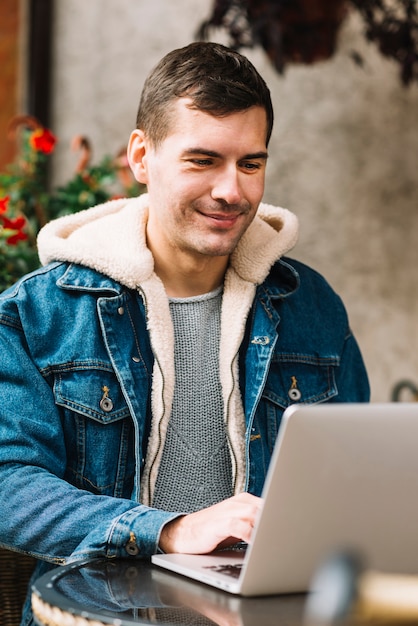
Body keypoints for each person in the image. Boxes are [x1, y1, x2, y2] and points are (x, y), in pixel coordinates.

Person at [0, 41, 369, 625]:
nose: (233, 191)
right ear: (142, 157)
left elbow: (359, 479)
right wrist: (167, 529)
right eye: (203, 160)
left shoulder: (312, 307)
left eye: (251, 163)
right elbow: (8, 483)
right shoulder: (37, 315)